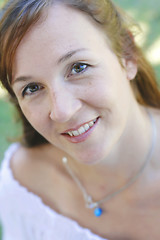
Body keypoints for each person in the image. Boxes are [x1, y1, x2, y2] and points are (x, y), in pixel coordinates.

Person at [0, 0, 160, 239]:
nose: (62, 111)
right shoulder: (23, 184)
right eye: (32, 88)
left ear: (127, 55)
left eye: (78, 67)